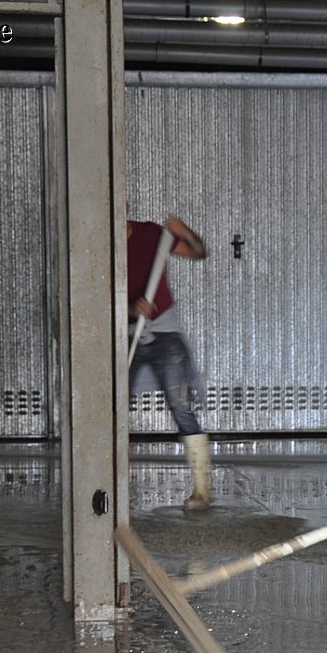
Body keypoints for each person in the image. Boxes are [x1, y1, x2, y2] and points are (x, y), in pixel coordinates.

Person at [127, 214, 212, 511]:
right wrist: (130, 307)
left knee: (180, 407)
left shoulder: (151, 234)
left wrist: (184, 231)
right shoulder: (97, 243)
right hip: (124, 334)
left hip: (164, 332)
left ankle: (202, 492)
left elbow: (200, 252)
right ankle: (107, 483)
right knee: (113, 411)